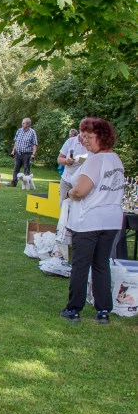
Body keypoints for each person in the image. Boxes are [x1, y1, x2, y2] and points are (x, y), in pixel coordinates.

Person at [61, 117, 125, 324]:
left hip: (89, 219)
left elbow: (81, 190)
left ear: (102, 137)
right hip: (111, 219)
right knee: (101, 264)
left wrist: (70, 193)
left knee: (81, 264)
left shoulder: (95, 161)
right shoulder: (116, 159)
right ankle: (103, 310)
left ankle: (73, 308)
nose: (85, 141)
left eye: (90, 137)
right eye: (83, 137)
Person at [57, 129, 89, 201]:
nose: (85, 136)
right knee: (64, 205)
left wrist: (82, 159)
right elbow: (59, 159)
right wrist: (66, 161)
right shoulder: (70, 141)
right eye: (83, 132)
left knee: (80, 205)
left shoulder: (91, 144)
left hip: (83, 182)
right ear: (80, 130)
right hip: (67, 181)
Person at [10, 117, 38, 187]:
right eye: (22, 123)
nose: (22, 124)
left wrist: (33, 154)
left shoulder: (32, 132)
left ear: (28, 124)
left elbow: (35, 144)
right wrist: (13, 150)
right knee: (16, 168)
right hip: (18, 153)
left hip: (27, 154)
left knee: (26, 170)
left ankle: (26, 185)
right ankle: (13, 183)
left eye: (23, 123)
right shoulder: (19, 130)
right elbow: (16, 142)